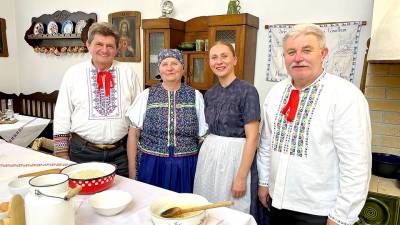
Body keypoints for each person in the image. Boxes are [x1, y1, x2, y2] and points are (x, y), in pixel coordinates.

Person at [257, 24, 371, 225]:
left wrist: (341, 217)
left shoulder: (346, 96)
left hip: (319, 211)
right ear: (284, 57)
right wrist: (264, 183)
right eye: (291, 52)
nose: (298, 57)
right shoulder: (275, 94)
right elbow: (266, 144)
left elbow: (356, 164)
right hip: (276, 203)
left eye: (306, 50)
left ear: (323, 53)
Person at [53, 22, 142, 177]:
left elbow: (138, 116)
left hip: (120, 154)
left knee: (122, 196)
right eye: (99, 44)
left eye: (110, 45)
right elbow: (62, 115)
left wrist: (135, 157)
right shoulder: (73, 74)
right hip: (82, 153)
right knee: (82, 198)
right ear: (88, 45)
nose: (104, 50)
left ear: (117, 48)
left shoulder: (129, 73)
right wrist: (62, 155)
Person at [125, 49, 207, 193]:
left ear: (182, 68)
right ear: (159, 69)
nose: (169, 68)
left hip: (186, 166)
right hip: (151, 165)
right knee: (150, 206)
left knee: (182, 209)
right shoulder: (147, 95)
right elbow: (133, 134)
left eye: (174, 63)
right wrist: (132, 171)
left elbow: (203, 137)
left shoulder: (195, 96)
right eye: (165, 64)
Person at [193, 41, 260, 213]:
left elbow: (253, 137)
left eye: (224, 56)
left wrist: (241, 177)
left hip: (235, 158)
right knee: (207, 206)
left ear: (235, 60)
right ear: (209, 62)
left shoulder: (248, 91)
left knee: (233, 208)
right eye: (214, 57)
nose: (219, 61)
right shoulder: (210, 94)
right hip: (210, 156)